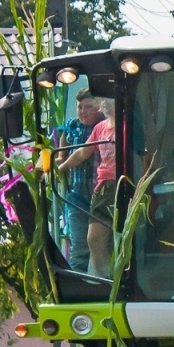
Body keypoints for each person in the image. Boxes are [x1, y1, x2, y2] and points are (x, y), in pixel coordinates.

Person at [57, 95, 116, 275]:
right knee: (86, 243)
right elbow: (81, 150)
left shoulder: (124, 126)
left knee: (107, 240)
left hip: (113, 186)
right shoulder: (93, 128)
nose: (84, 111)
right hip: (87, 193)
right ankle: (97, 281)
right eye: (80, 107)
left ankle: (112, 280)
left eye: (89, 106)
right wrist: (61, 165)